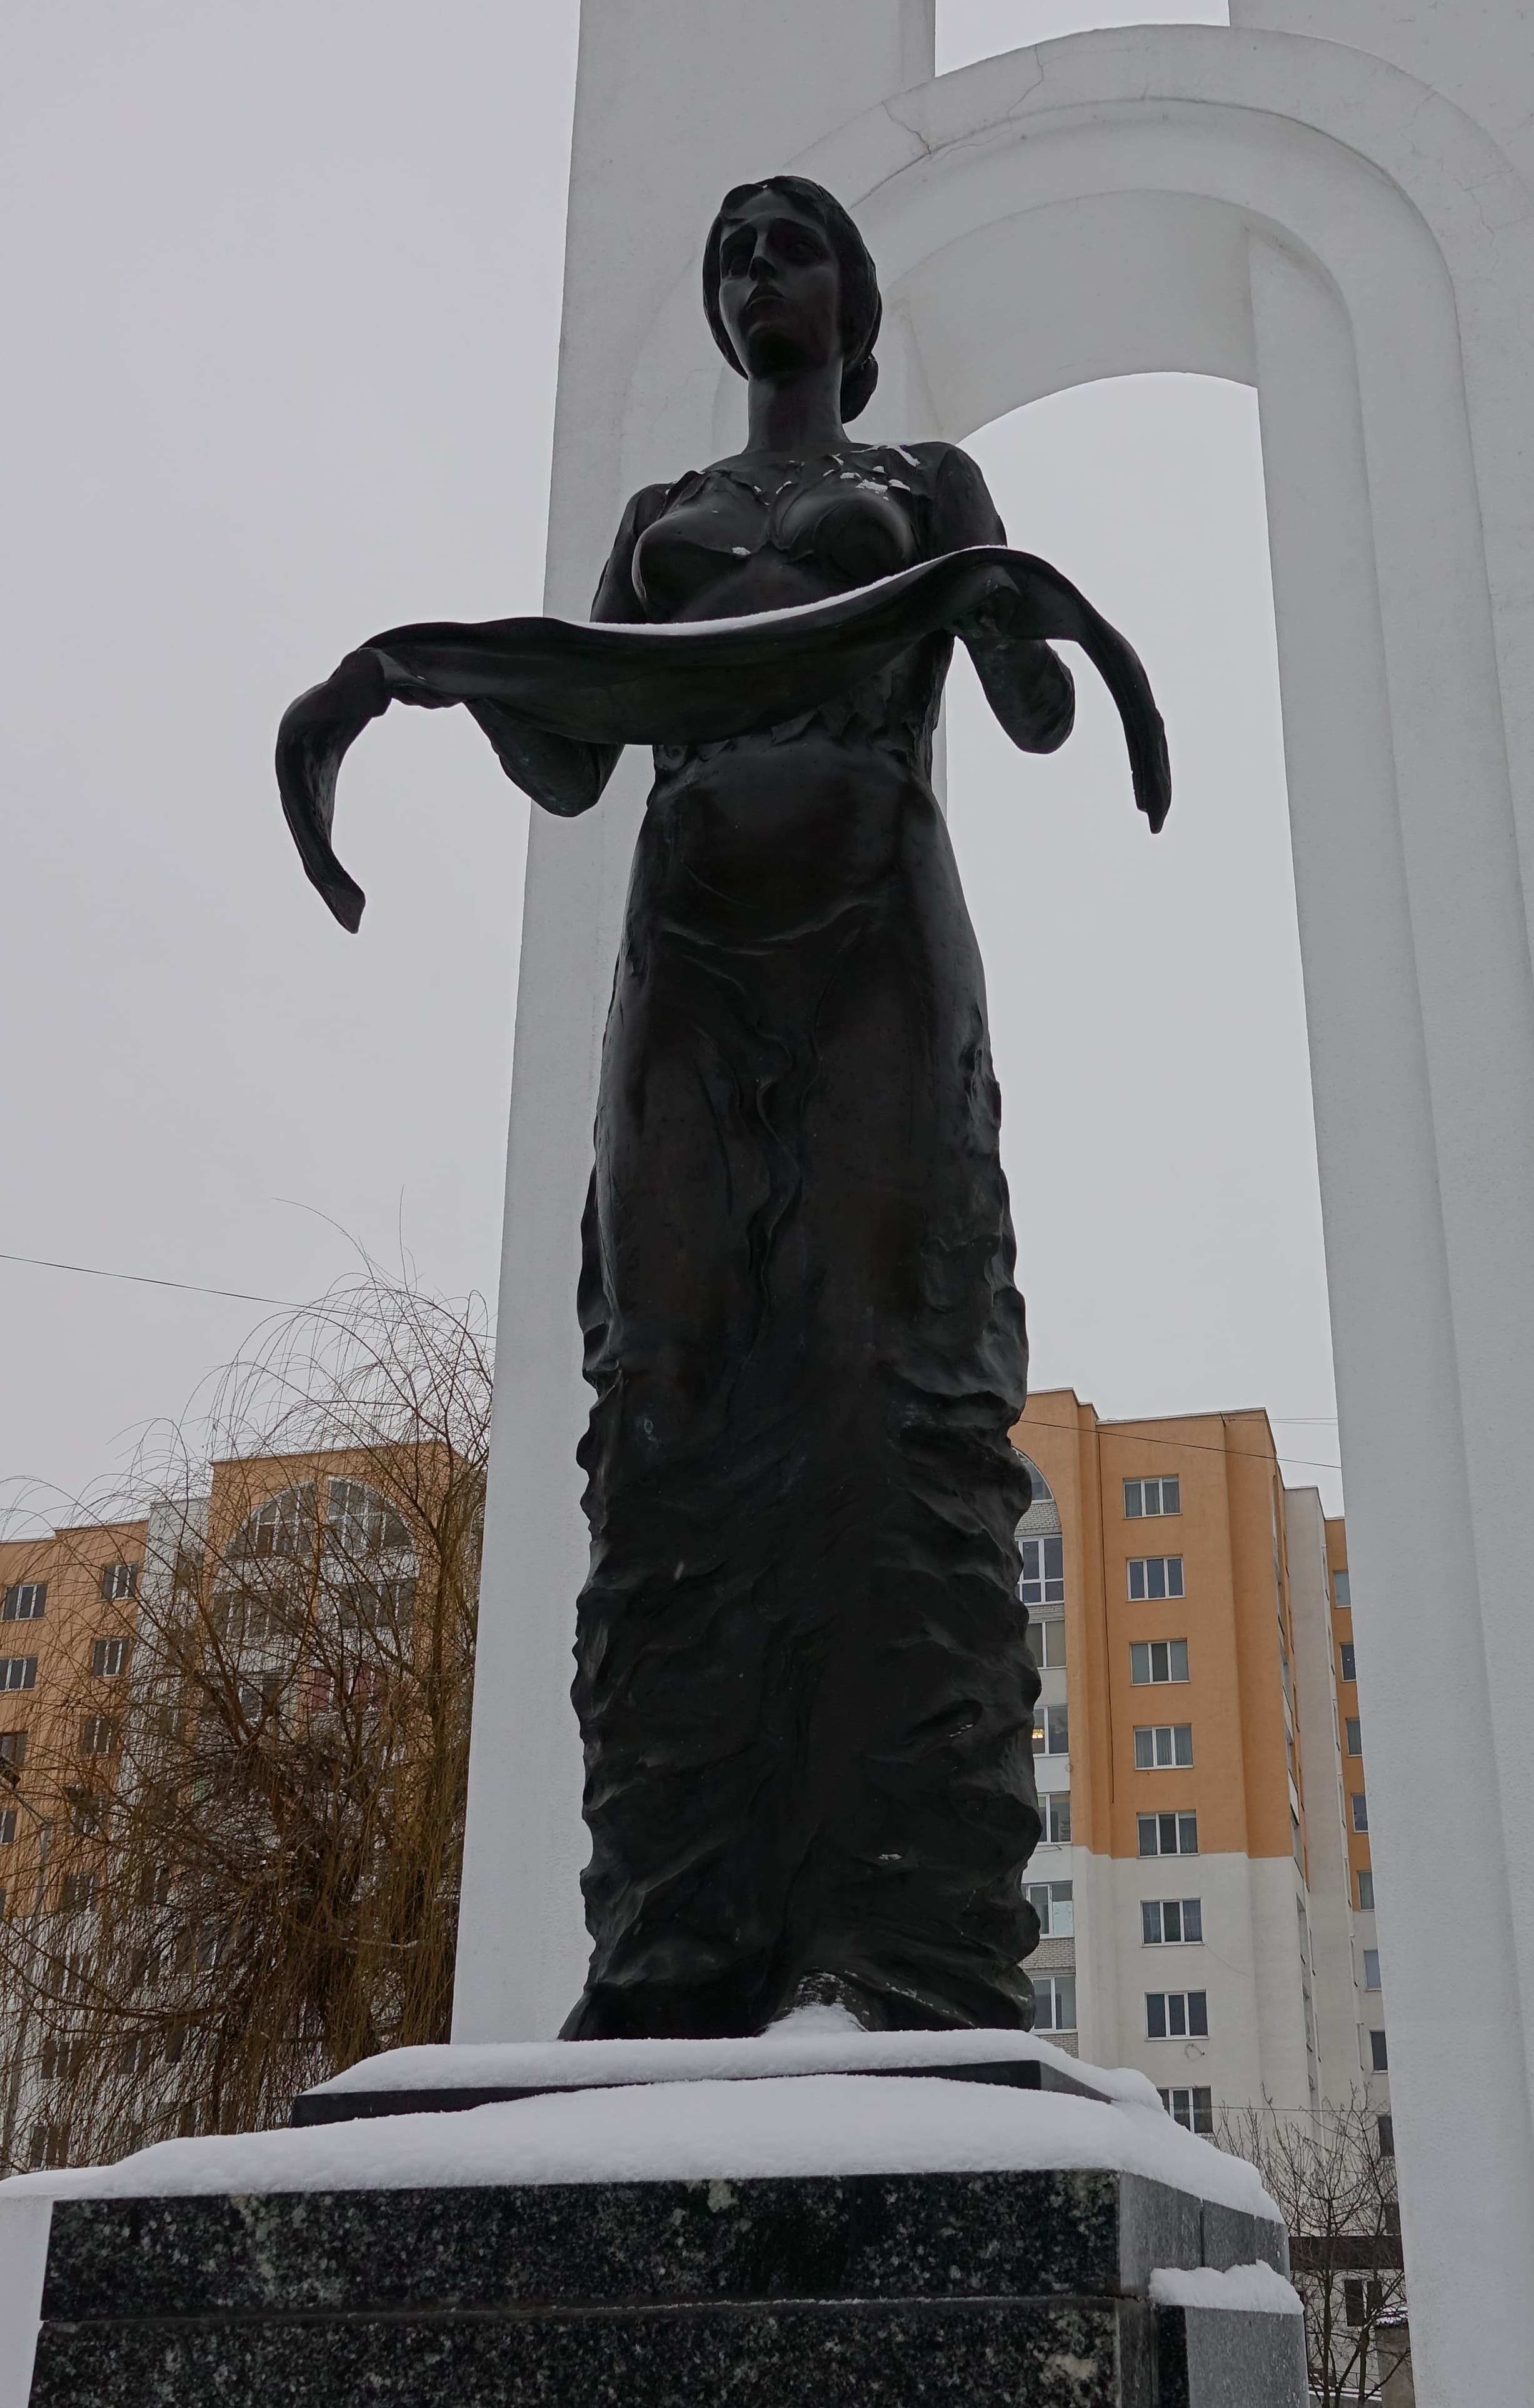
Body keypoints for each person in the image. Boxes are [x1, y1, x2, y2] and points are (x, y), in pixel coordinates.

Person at [275, 174, 1167, 2037]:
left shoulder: (924, 483)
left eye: (793, 247)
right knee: (673, 1394)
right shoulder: (661, 523)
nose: (762, 270)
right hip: (682, 951)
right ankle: (673, 1943)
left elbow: (1027, 715)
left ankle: (901, 1936)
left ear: (851, 299)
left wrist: (1020, 613)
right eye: (734, 255)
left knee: (881, 1379)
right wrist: (433, 675)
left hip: (874, 940)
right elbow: (578, 760)